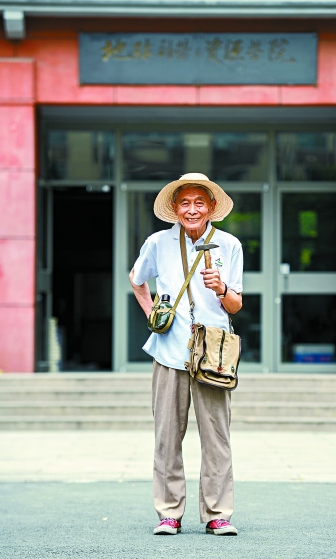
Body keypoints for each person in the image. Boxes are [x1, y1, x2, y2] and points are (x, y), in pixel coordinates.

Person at [129, 173, 243, 536]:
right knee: (166, 438)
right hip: (169, 351)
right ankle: (168, 513)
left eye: (199, 203)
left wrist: (221, 288)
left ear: (211, 207)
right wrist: (152, 313)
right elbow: (136, 278)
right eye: (184, 203)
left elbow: (236, 305)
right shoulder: (158, 243)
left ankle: (218, 514)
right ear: (175, 208)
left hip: (212, 355)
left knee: (217, 439)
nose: (191, 209)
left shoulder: (229, 245)